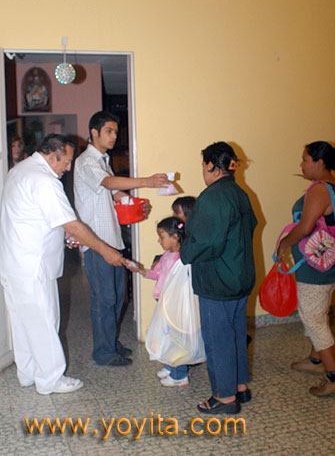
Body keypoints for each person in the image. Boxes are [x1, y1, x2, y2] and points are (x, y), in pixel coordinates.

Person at [0, 134, 126, 395]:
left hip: (14, 263)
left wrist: (62, 234)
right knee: (45, 320)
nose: (68, 168)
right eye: (66, 161)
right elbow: (72, 223)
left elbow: (34, 216)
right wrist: (105, 250)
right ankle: (50, 379)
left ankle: (28, 373)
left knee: (24, 322)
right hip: (33, 266)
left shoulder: (20, 170)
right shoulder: (44, 180)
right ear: (52, 154)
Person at [73, 111, 169, 367]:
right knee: (104, 299)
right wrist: (147, 182)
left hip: (112, 241)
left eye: (116, 131)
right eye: (109, 131)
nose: (114, 136)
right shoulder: (87, 161)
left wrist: (138, 207)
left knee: (115, 297)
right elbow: (109, 183)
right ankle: (104, 353)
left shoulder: (103, 160)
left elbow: (116, 194)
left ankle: (111, 344)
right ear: (94, 132)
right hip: (97, 243)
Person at [180, 142, 257, 414]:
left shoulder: (212, 196)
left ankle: (225, 398)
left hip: (218, 281)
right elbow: (250, 226)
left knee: (218, 338)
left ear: (212, 166)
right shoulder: (240, 192)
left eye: (204, 165)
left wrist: (184, 250)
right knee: (235, 334)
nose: (203, 171)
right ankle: (239, 387)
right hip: (240, 275)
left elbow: (207, 242)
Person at [276, 141, 335, 397]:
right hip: (322, 263)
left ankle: (332, 375)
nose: (301, 165)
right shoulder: (327, 187)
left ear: (319, 162)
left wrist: (284, 246)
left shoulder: (321, 189)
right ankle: (315, 360)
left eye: (304, 159)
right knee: (318, 313)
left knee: (312, 317)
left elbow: (306, 227)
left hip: (316, 268)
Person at [127, 216, 190, 386]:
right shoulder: (166, 255)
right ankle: (171, 366)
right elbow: (156, 274)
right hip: (163, 302)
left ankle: (180, 375)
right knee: (166, 336)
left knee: (175, 339)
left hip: (173, 304)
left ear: (175, 236)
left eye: (162, 237)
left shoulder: (182, 259)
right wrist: (140, 270)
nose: (159, 240)